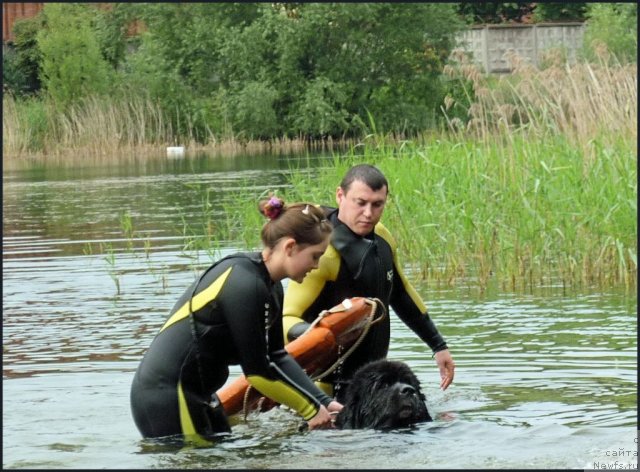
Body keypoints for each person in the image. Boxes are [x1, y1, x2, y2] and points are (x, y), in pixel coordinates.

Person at [130, 196, 343, 443]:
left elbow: (277, 356)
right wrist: (310, 410)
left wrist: (325, 402)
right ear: (290, 247)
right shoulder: (245, 283)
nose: (316, 266)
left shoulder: (271, 287)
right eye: (315, 256)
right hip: (167, 396)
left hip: (200, 395)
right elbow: (257, 373)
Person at [282, 164, 455, 401]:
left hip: (372, 383)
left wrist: (438, 345)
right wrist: (325, 332)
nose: (368, 213)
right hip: (325, 387)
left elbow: (400, 293)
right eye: (360, 202)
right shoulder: (322, 253)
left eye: (377, 204)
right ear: (340, 195)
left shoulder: (382, 235)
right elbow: (287, 318)